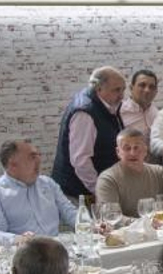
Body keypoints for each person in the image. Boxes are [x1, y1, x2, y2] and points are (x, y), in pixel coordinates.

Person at [0, 140, 79, 244]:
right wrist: (19, 239)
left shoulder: (47, 183)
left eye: (38, 155)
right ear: (13, 165)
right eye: (32, 157)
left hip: (57, 249)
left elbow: (69, 212)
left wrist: (88, 224)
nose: (39, 160)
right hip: (23, 254)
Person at [51, 65, 126, 199]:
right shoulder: (85, 113)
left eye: (123, 89)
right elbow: (81, 160)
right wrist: (99, 190)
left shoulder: (103, 104)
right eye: (117, 90)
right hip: (78, 191)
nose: (122, 96)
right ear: (99, 88)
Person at [94, 129, 163, 218]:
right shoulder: (108, 179)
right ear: (118, 152)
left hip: (159, 228)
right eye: (127, 148)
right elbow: (110, 216)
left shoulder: (159, 172)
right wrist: (145, 225)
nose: (133, 153)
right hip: (125, 231)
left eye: (137, 147)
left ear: (145, 150)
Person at [120, 68, 161, 140]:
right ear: (131, 88)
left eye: (151, 87)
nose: (147, 90)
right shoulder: (120, 112)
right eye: (142, 85)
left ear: (156, 91)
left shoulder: (156, 113)